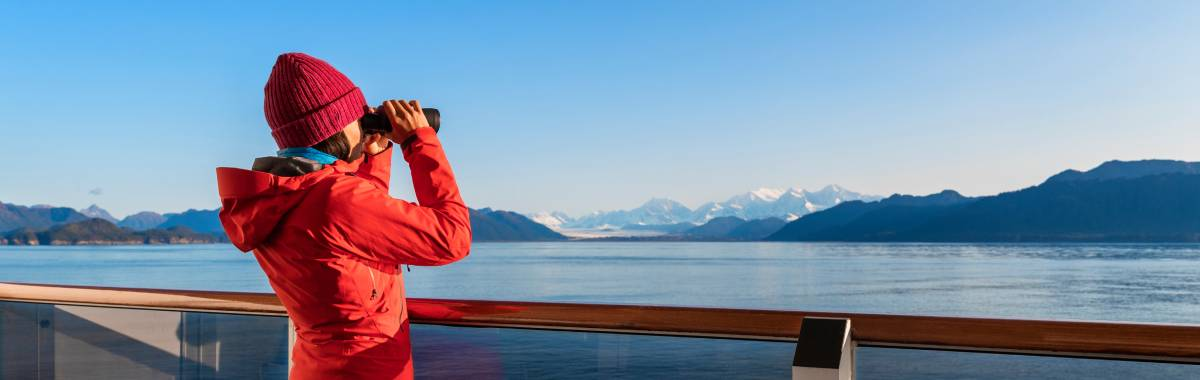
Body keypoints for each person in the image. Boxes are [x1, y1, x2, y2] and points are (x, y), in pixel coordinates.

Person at [215, 52, 472, 379]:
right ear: (337, 125)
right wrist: (419, 143)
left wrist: (374, 159)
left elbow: (357, 235)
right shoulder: (335, 199)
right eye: (359, 117)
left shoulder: (282, 195)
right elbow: (453, 239)